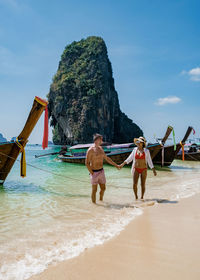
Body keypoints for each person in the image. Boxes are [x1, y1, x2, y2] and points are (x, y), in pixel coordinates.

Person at [85, 133, 119, 203]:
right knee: (94, 190)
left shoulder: (101, 148)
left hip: (101, 171)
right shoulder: (90, 150)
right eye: (101, 139)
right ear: (96, 140)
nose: (102, 141)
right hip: (94, 172)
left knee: (103, 188)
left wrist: (116, 165)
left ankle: (101, 200)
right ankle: (94, 205)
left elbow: (107, 158)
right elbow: (87, 163)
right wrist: (92, 173)